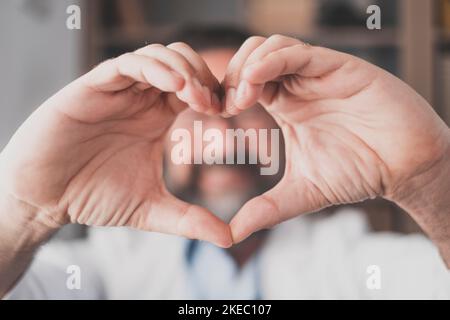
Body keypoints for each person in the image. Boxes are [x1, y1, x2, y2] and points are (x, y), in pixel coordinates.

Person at [0, 26, 449, 299]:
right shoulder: (102, 268)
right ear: (156, 140)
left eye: (246, 111)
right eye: (191, 114)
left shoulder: (351, 259)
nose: (219, 139)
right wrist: (24, 211)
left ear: (285, 128)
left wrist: (434, 178)